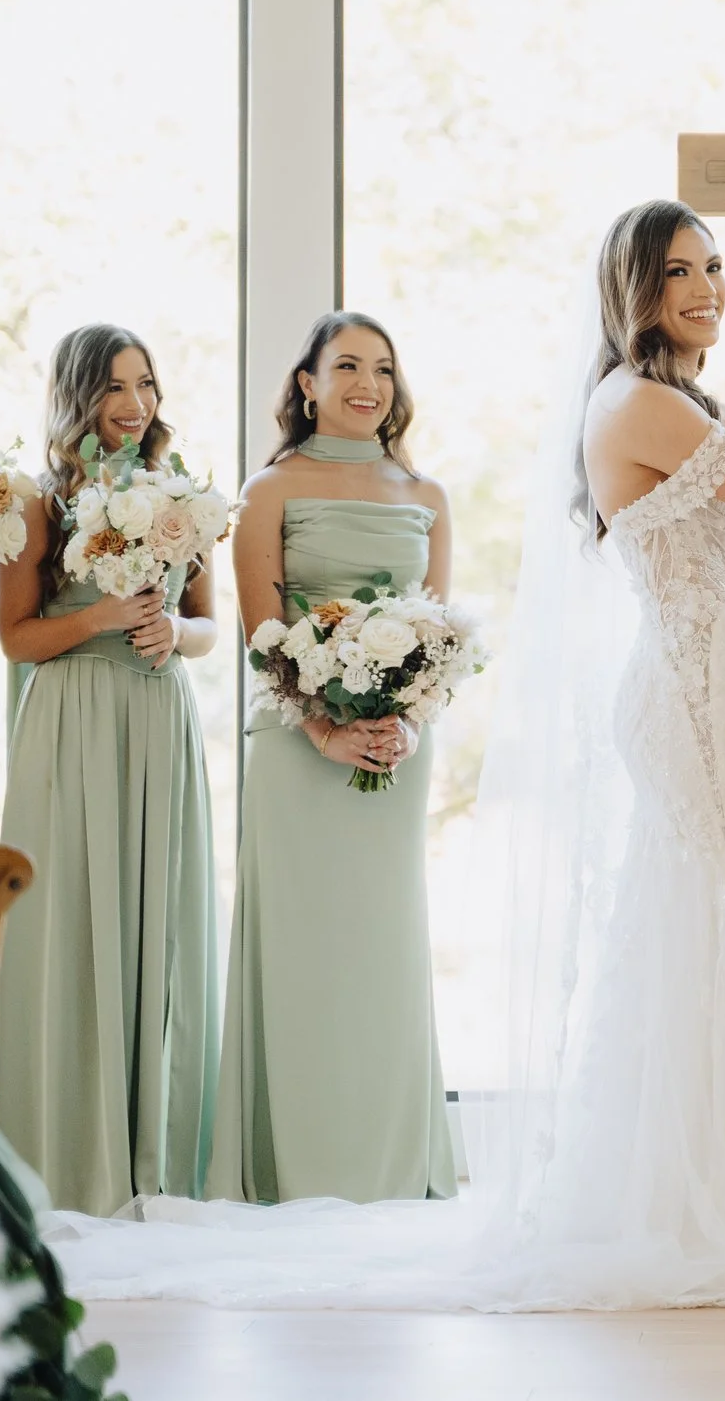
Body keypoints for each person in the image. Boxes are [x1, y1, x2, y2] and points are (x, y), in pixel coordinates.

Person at [40, 199, 725, 1313]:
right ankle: (687, 1206)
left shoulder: (686, 396)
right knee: (709, 936)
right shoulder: (636, 402)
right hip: (689, 705)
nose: (708, 287)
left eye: (715, 266)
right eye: (680, 270)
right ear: (633, 290)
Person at [210, 310, 457, 1203]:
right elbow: (261, 633)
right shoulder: (270, 488)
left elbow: (437, 633)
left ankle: (389, 1169)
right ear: (306, 382)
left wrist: (407, 724)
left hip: (394, 749)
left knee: (381, 949)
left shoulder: (425, 495)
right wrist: (325, 730)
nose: (368, 384)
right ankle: (295, 1167)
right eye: (347, 365)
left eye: (383, 368)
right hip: (295, 745)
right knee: (307, 951)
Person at [0, 323, 220, 1215]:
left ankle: (155, 1156)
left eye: (148, 385)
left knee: (155, 927)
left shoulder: (178, 495)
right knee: (72, 923)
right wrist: (99, 617)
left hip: (157, 714)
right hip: (73, 718)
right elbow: (16, 636)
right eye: (116, 388)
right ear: (79, 395)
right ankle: (65, 1153)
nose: (136, 406)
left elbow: (210, 622)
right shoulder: (36, 498)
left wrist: (175, 632)